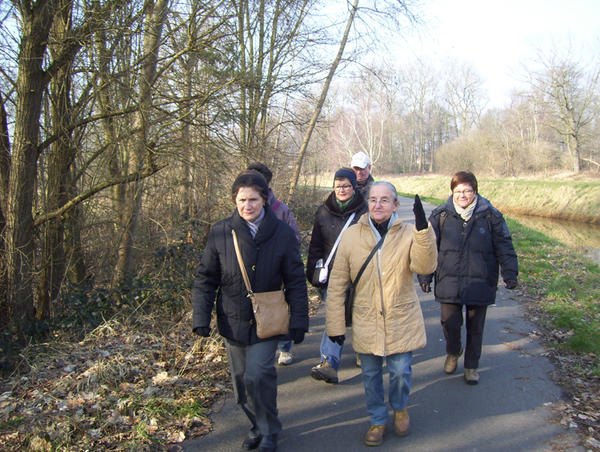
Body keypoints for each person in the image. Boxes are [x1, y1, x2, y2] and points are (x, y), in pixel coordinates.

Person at [192, 170, 309, 452]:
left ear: (264, 200)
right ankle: (256, 424)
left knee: (259, 375)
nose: (248, 205)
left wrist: (299, 320)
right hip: (232, 319)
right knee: (241, 383)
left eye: (254, 199)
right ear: (235, 200)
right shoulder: (220, 232)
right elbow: (206, 277)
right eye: (242, 199)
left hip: (268, 320)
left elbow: (295, 279)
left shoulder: (281, 233)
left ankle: (269, 431)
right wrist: (201, 317)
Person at [325, 182, 437, 446]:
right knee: (370, 375)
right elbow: (338, 282)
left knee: (400, 371)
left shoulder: (410, 232)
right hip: (366, 317)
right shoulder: (352, 235)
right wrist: (335, 327)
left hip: (402, 317)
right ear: (368, 203)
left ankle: (400, 408)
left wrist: (423, 232)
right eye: (374, 199)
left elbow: (425, 265)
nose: (378, 205)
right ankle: (377, 420)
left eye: (385, 200)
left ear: (396, 205)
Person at [418, 171, 518, 385]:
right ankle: (453, 352)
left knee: (476, 327)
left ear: (475, 191)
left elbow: (505, 246)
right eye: (458, 191)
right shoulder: (440, 216)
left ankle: (471, 366)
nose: (462, 195)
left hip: (480, 280)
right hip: (449, 281)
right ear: (452, 192)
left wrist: (510, 274)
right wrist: (425, 276)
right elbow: (427, 248)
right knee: (449, 323)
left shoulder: (491, 216)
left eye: (467, 191)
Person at [306, 168, 368, 384]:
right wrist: (312, 272)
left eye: (346, 186)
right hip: (332, 274)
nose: (342, 190)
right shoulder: (323, 211)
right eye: (338, 186)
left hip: (360, 274)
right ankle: (329, 362)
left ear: (354, 187)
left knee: (360, 315)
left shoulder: (366, 211)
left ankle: (362, 349)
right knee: (336, 315)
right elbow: (316, 245)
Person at [247, 162, 302, 366]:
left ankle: (284, 347)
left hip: (277, 268)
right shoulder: (245, 206)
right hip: (250, 270)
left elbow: (295, 239)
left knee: (279, 306)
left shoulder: (281, 209)